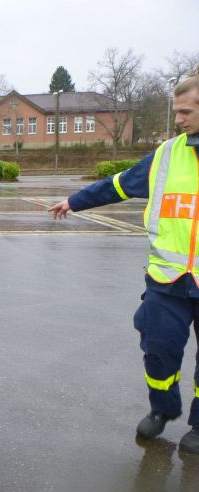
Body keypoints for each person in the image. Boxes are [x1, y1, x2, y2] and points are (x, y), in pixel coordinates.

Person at [49, 73, 199, 454]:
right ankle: (163, 410)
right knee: (158, 349)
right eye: (176, 111)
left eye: (185, 111)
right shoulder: (167, 155)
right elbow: (120, 184)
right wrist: (75, 200)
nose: (177, 119)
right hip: (167, 281)